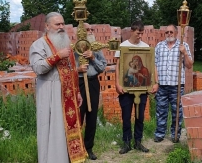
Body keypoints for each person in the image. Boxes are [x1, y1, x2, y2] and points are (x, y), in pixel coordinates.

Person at [29, 12, 87, 163]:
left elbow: (72, 70)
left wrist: (77, 92)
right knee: (52, 130)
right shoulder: (38, 44)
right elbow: (38, 68)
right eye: (57, 24)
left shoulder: (65, 44)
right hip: (50, 94)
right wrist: (57, 56)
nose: (61, 27)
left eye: (62, 24)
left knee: (65, 131)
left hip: (68, 96)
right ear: (47, 26)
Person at [115, 20, 158, 154]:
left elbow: (152, 66)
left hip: (142, 89)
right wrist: (117, 83)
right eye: (138, 33)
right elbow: (118, 66)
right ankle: (127, 143)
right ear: (132, 31)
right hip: (126, 89)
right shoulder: (122, 46)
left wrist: (156, 82)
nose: (140, 35)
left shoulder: (146, 47)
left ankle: (138, 141)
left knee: (140, 117)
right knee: (126, 117)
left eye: (142, 33)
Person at [154, 24, 193, 143]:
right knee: (161, 110)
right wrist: (156, 82)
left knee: (177, 112)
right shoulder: (159, 46)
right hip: (162, 85)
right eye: (167, 32)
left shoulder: (183, 46)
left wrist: (185, 53)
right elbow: (154, 65)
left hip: (176, 86)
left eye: (171, 32)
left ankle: (175, 134)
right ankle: (160, 134)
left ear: (176, 33)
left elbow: (189, 65)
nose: (169, 34)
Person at [74, 23, 107, 160]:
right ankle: (76, 149)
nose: (90, 32)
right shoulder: (73, 48)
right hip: (79, 82)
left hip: (93, 82)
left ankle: (89, 148)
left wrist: (93, 58)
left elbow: (102, 67)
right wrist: (78, 70)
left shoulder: (96, 48)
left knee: (92, 116)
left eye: (91, 29)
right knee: (78, 116)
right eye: (87, 30)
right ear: (80, 32)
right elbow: (67, 69)